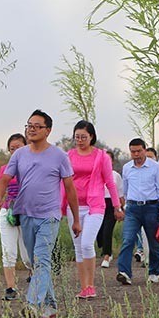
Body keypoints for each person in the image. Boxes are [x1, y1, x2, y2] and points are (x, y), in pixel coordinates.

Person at [0, 110, 81, 318]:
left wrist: (76, 219)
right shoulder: (19, 154)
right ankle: (50, 306)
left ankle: (33, 305)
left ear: (48, 131)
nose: (31, 129)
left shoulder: (59, 156)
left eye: (37, 126)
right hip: (25, 213)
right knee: (36, 262)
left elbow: (70, 188)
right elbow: (5, 178)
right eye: (29, 125)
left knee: (41, 259)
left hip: (49, 216)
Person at [63, 121, 122, 299]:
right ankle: (84, 287)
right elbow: (63, 182)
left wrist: (117, 205)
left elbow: (110, 182)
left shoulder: (101, 156)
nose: (80, 140)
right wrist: (60, 205)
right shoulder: (68, 156)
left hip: (95, 205)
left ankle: (91, 285)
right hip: (74, 207)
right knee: (78, 247)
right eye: (77, 137)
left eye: (83, 137)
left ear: (92, 137)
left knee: (87, 243)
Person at [115, 138, 159, 286]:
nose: (136, 154)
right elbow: (125, 189)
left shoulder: (155, 167)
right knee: (127, 239)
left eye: (139, 151)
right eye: (133, 152)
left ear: (145, 150)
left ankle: (154, 272)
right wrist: (125, 206)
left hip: (151, 207)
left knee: (153, 241)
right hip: (132, 208)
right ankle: (124, 272)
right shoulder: (127, 168)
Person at [0, 133, 30, 301]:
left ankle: (33, 273)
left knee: (27, 253)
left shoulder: (31, 166)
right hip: (9, 212)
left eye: (18, 148)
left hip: (27, 212)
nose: (14, 151)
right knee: (8, 251)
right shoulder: (4, 169)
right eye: (11, 149)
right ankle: (10, 287)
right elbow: (0, 188)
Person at [97, 168, 124, 268]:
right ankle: (104, 248)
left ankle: (107, 255)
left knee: (107, 231)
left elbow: (120, 193)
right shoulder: (95, 173)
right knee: (99, 231)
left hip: (111, 204)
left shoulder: (115, 175)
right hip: (98, 203)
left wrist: (121, 208)